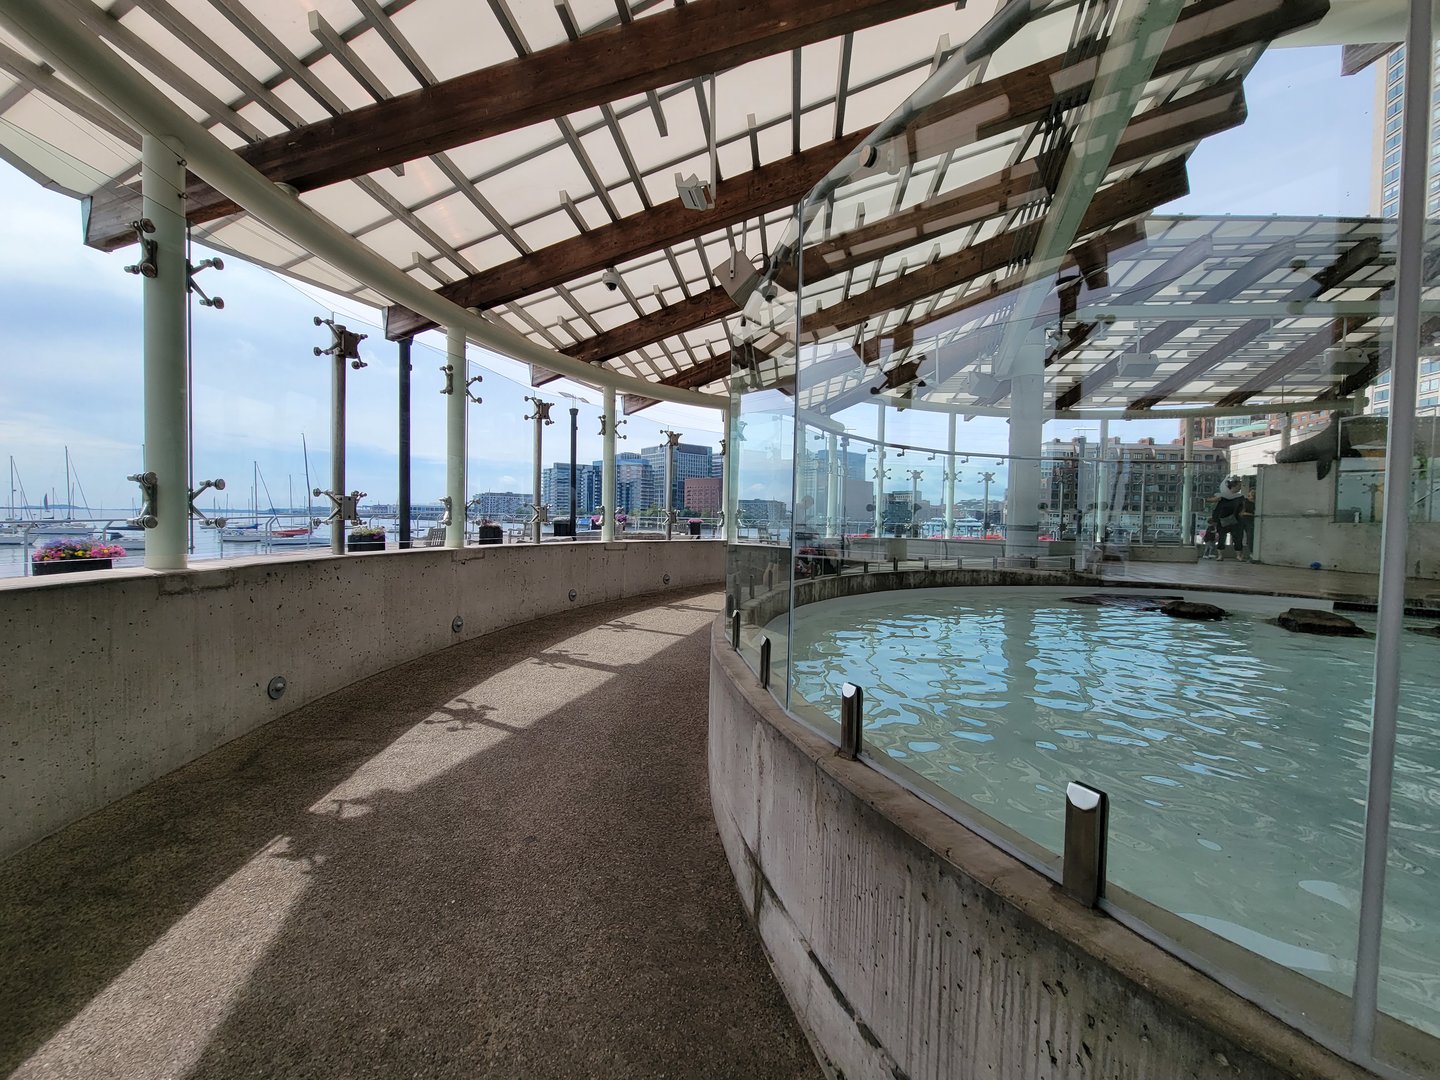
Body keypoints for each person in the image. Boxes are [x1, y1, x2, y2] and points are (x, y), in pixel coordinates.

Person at [1209, 476, 1247, 561]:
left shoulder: (1239, 497)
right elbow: (1215, 503)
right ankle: (1221, 555)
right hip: (1225, 519)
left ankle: (1237, 555)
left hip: (1234, 519)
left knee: (1237, 538)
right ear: (1233, 486)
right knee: (1222, 538)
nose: (1240, 488)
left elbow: (1243, 507)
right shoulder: (1223, 496)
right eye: (1239, 486)